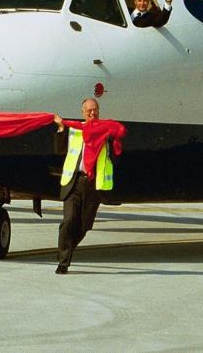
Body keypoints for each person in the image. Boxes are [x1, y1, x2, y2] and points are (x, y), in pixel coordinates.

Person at [52, 98, 125, 274]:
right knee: (69, 220)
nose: (92, 113)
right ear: (82, 112)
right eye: (89, 110)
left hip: (93, 184)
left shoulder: (105, 131)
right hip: (74, 182)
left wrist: (116, 142)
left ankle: (65, 249)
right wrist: (61, 129)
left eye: (95, 110)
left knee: (84, 226)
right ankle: (63, 262)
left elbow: (115, 158)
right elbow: (60, 150)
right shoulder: (75, 131)